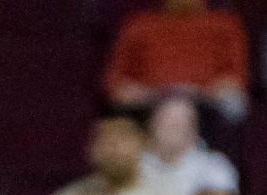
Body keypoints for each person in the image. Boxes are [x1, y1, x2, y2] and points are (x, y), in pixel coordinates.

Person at [104, 0, 252, 121]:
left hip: (207, 110)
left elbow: (236, 81)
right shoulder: (138, 26)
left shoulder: (225, 25)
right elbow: (116, 85)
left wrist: (194, 94)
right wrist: (156, 95)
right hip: (148, 109)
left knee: (234, 102)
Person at [139, 93, 239, 195]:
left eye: (182, 121)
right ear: (151, 124)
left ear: (195, 128)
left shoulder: (214, 166)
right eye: (168, 119)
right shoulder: (134, 165)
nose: (175, 126)